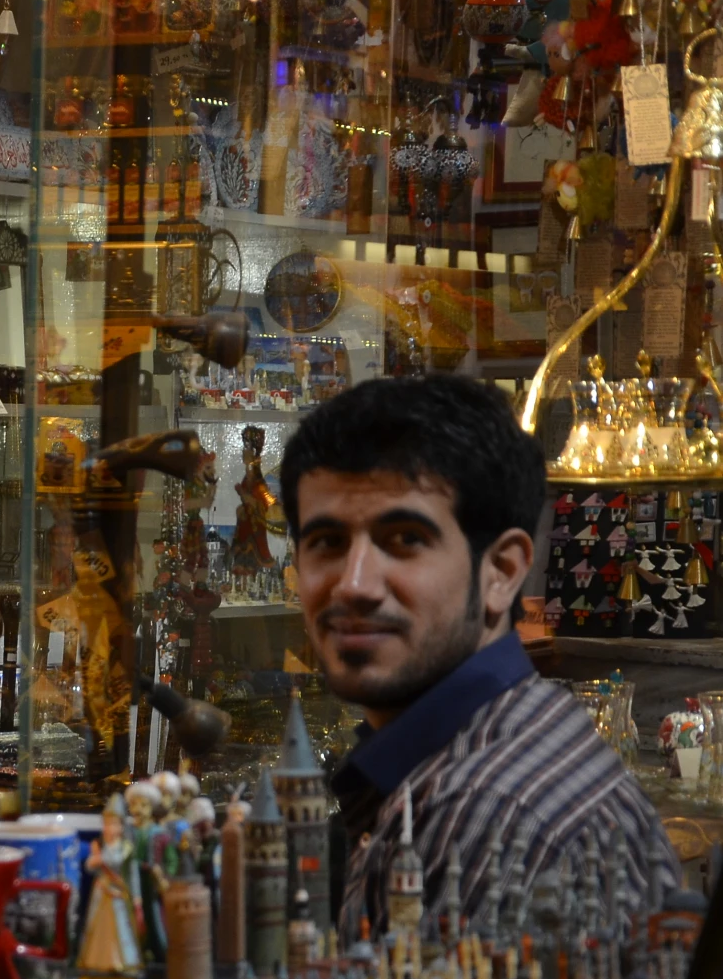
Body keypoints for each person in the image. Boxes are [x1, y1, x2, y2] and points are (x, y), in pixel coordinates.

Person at [278, 375, 677, 938]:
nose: (354, 585)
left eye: (405, 540)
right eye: (327, 543)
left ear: (503, 572)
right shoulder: (499, 742)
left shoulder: (486, 812)